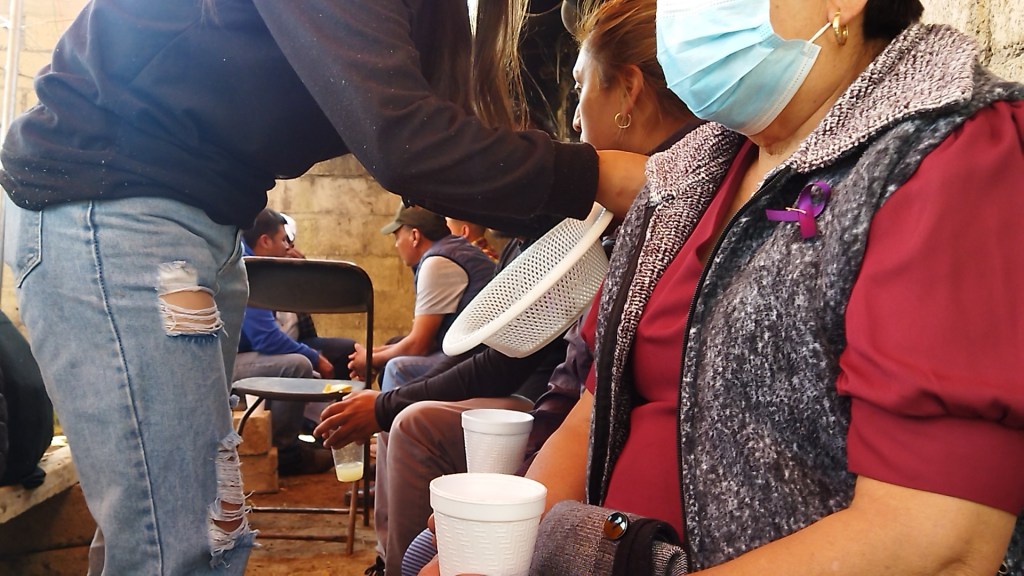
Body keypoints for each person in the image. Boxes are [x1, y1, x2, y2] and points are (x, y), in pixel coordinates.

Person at [0, 0, 650, 572]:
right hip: (116, 205)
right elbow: (404, 138)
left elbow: (425, 132)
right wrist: (599, 176)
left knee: (172, 528)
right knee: (185, 541)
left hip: (200, 221)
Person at [522, 0, 1024, 574]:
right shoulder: (686, 177)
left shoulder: (950, 158)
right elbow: (592, 414)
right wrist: (504, 547)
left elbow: (936, 540)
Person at [322, 1, 703, 573]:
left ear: (627, 92)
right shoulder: (602, 226)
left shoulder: (658, 224)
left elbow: (560, 386)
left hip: (606, 485)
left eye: (581, 89)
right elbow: (580, 388)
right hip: (563, 437)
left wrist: (514, 500)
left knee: (420, 475)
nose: (573, 121)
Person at [234, 208, 343, 475]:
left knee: (333, 353)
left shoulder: (258, 265)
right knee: (297, 365)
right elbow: (266, 339)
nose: (288, 247)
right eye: (283, 239)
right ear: (265, 241)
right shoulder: (248, 269)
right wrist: (315, 358)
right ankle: (286, 454)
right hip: (224, 363)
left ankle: (323, 432)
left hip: (245, 354)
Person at [348, 204, 495, 390]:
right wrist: (372, 354)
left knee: (397, 369)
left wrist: (370, 359)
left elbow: (420, 345)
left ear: (415, 236)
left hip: (484, 361)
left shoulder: (437, 263)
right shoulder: (452, 249)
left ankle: (384, 410)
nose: (396, 245)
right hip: (477, 353)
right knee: (394, 346)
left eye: (397, 237)